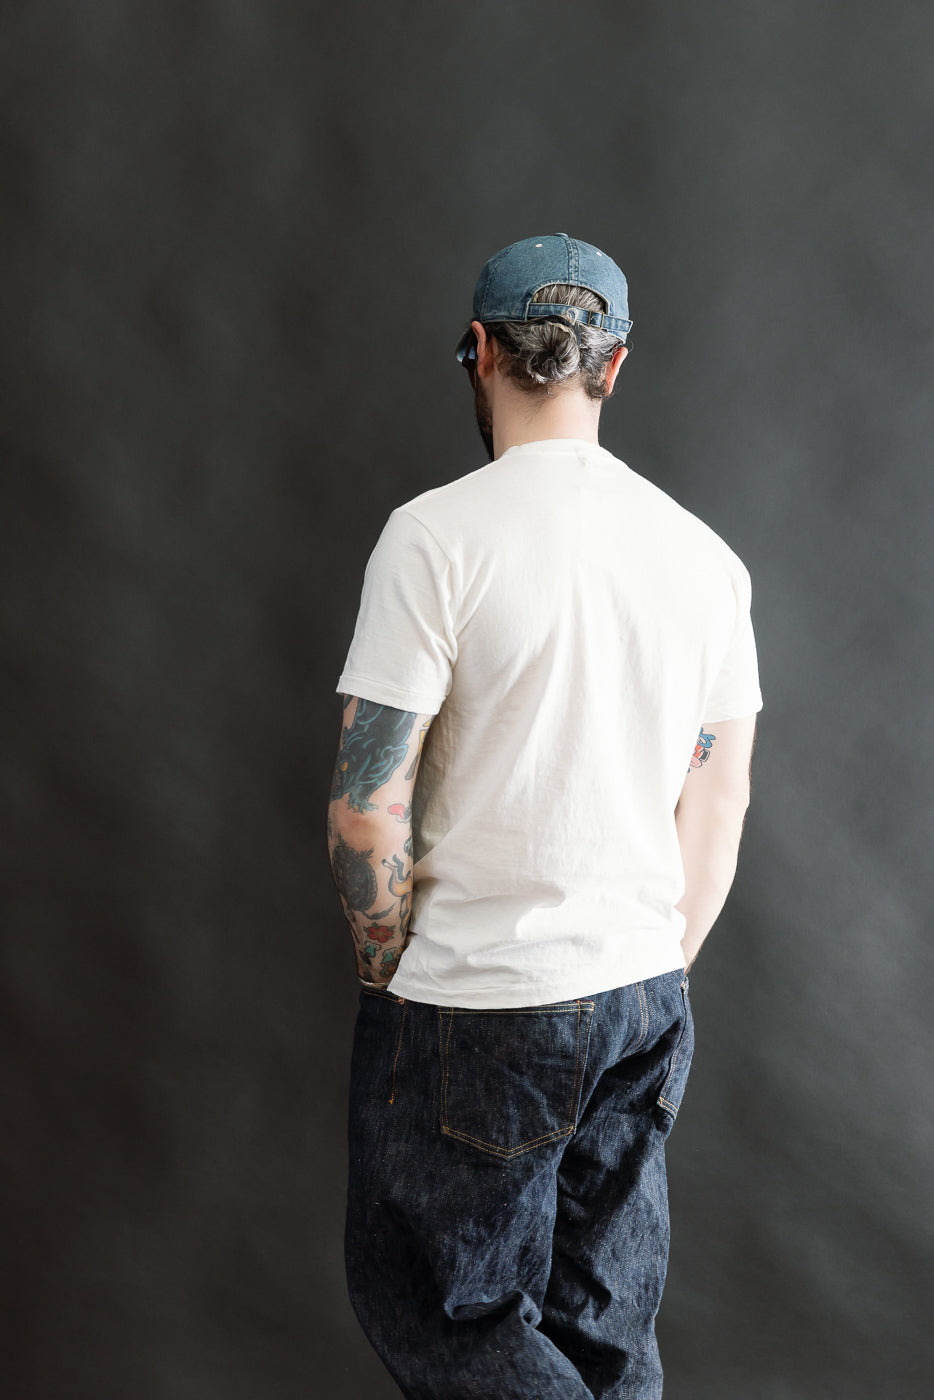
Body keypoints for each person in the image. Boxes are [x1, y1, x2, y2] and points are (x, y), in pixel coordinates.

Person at [328, 232, 762, 1400]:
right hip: (640, 993)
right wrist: (649, 962)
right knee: (603, 1319)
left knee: (442, 1303)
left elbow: (368, 806)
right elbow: (717, 794)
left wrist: (389, 978)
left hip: (477, 998)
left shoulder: (434, 537)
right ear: (613, 366)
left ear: (475, 351)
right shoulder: (706, 561)